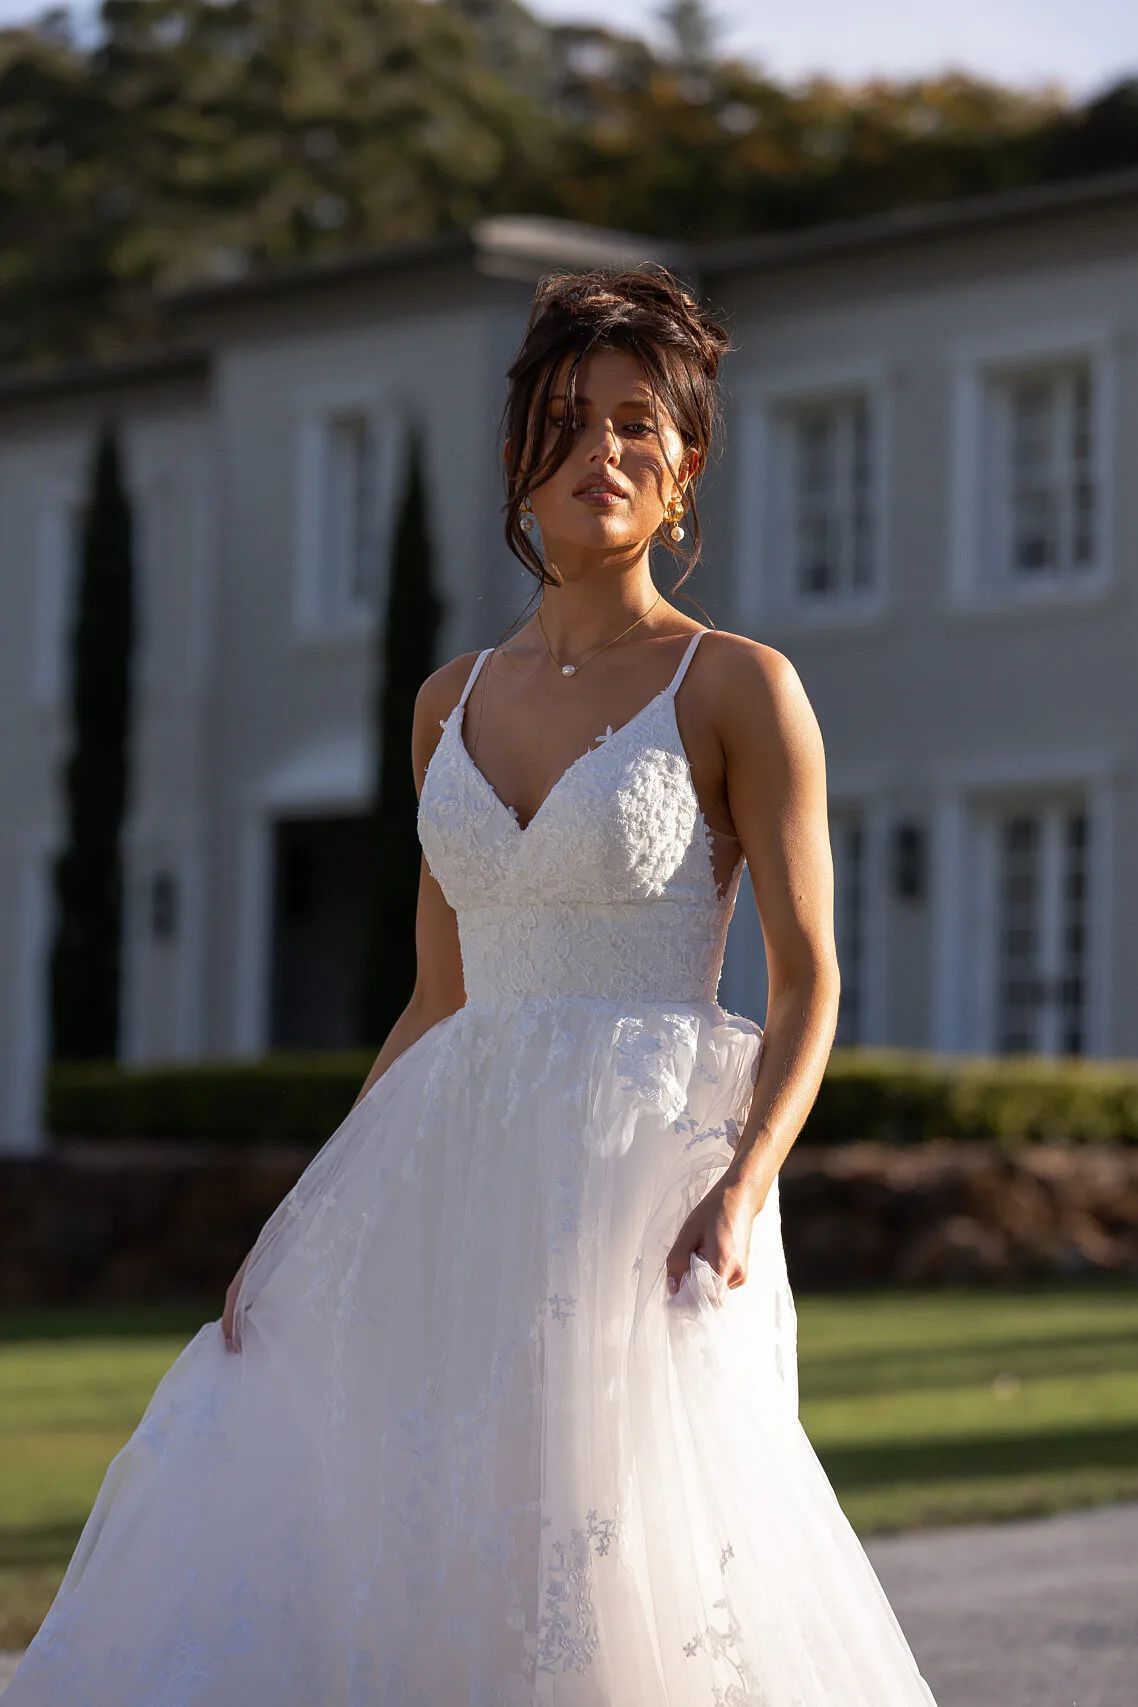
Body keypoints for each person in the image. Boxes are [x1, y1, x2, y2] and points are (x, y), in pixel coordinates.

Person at [5, 264, 939, 1704]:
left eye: (639, 424)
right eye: (568, 420)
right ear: (519, 455)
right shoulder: (443, 699)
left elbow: (808, 983)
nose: (602, 451)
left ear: (685, 465)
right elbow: (437, 999)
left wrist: (741, 1184)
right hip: (444, 1170)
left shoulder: (737, 686)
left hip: (635, 1176)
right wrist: (304, 1215)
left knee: (610, 1545)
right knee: (404, 1522)